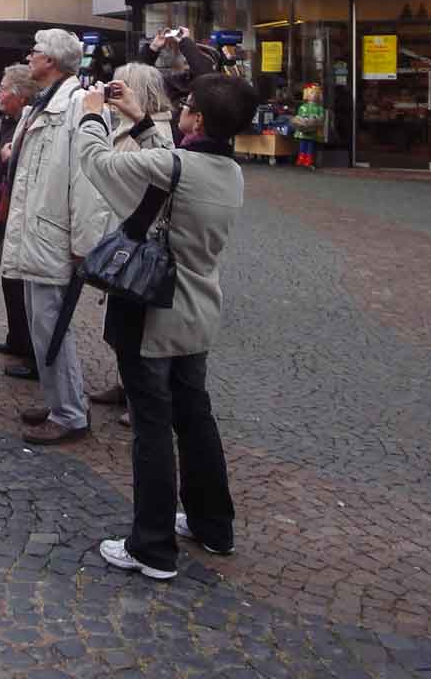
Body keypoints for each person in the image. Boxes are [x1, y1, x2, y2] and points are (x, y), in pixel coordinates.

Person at [78, 72, 256, 581]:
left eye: (187, 105)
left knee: (152, 425)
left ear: (196, 118)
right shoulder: (230, 172)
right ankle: (213, 524)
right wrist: (140, 120)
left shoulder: (176, 165)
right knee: (195, 416)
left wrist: (92, 115)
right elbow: (175, 168)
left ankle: (152, 547)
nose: (180, 110)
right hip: (197, 311)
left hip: (152, 311)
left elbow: (98, 163)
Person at [0, 28, 103, 445]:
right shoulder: (43, 104)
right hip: (38, 231)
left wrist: (84, 243)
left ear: (52, 61)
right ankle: (61, 399)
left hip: (53, 234)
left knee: (52, 326)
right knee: (42, 326)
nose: (29, 56)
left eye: (35, 51)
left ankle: (70, 414)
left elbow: (88, 181)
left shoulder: (76, 106)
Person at [83, 62, 174, 425]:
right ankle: (126, 385)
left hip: (140, 241)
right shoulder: (130, 125)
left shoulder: (153, 130)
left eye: (118, 85)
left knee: (138, 328)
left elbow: (111, 171)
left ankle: (142, 400)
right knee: (122, 322)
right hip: (126, 233)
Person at [0, 64, 41, 364]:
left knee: (17, 280)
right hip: (6, 211)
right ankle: (18, 338)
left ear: (21, 96)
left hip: (21, 215)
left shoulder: (29, 126)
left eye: (3, 89)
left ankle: (27, 345)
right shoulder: (10, 121)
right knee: (9, 277)